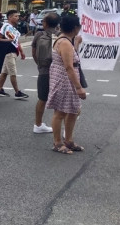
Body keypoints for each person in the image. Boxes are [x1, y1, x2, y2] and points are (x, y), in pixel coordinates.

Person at [47, 15, 87, 154]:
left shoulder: (66, 41)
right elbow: (69, 66)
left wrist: (76, 43)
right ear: (75, 28)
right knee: (61, 111)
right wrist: (79, 87)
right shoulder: (64, 42)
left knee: (73, 109)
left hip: (65, 76)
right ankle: (58, 142)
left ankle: (68, 140)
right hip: (65, 79)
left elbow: (71, 55)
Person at [31, 12, 60, 133]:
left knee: (42, 98)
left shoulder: (39, 35)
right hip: (58, 71)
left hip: (44, 70)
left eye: (43, 21)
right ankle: (59, 126)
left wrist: (39, 65)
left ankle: (38, 124)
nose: (41, 22)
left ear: (46, 23)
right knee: (59, 99)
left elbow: (33, 52)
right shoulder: (61, 35)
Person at [0, 10, 29, 99]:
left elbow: (16, 42)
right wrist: (7, 40)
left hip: (13, 52)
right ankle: (17, 92)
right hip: (8, 52)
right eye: (16, 16)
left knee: (5, 72)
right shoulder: (5, 27)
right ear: (10, 17)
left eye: (18, 16)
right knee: (13, 73)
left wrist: (21, 51)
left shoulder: (13, 29)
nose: (18, 18)